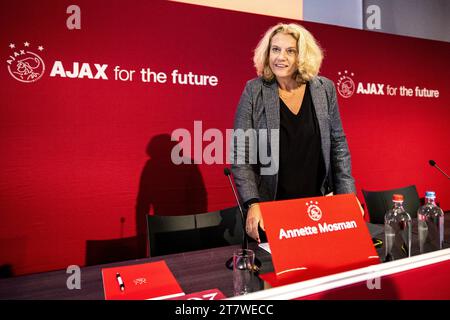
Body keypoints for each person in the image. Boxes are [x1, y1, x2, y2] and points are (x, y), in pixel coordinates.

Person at [231, 23, 359, 243]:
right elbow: (240, 154)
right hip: (272, 209)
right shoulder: (254, 90)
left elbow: (338, 145)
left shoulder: (324, 89)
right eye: (275, 49)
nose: (281, 57)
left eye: (290, 51)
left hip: (318, 208)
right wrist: (253, 203)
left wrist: (347, 198)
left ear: (303, 55)